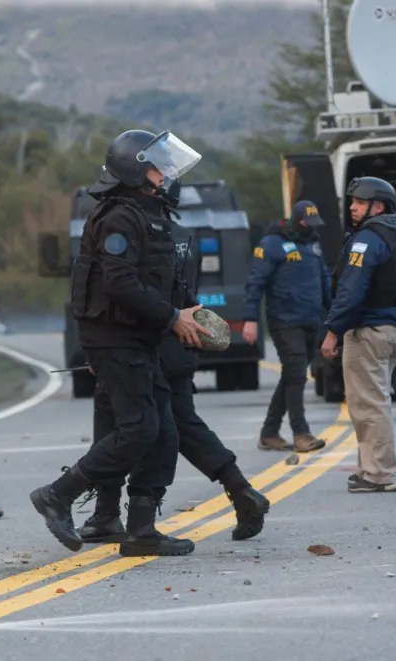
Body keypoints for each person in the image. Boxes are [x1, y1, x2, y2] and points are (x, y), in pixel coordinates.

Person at [29, 129, 213, 556]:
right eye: (156, 165)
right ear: (135, 168)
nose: (165, 173)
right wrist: (171, 319)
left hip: (141, 338)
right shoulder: (118, 216)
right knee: (139, 428)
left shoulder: (149, 212)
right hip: (113, 338)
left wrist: (189, 312)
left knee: (163, 432)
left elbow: (160, 279)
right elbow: (119, 283)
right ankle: (57, 494)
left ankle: (141, 529)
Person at [78, 180, 271, 545]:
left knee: (118, 425)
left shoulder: (146, 233)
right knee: (181, 425)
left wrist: (104, 347)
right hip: (178, 345)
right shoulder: (178, 232)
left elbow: (130, 291)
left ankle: (108, 513)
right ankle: (240, 490)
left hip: (147, 344)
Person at [319, 176, 396, 493]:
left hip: (370, 331)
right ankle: (369, 468)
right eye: (352, 202)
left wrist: (333, 331)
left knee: (369, 404)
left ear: (378, 206)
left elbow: (351, 291)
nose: (352, 208)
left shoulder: (367, 240)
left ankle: (378, 474)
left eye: (359, 203)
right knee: (374, 401)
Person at [241, 200, 331, 453]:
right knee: (297, 375)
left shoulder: (313, 244)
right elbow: (255, 282)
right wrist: (251, 319)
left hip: (311, 319)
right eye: (306, 222)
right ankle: (301, 433)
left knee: (292, 375)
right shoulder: (272, 244)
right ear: (297, 220)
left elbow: (324, 279)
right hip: (284, 320)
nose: (310, 227)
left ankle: (269, 432)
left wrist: (335, 317)